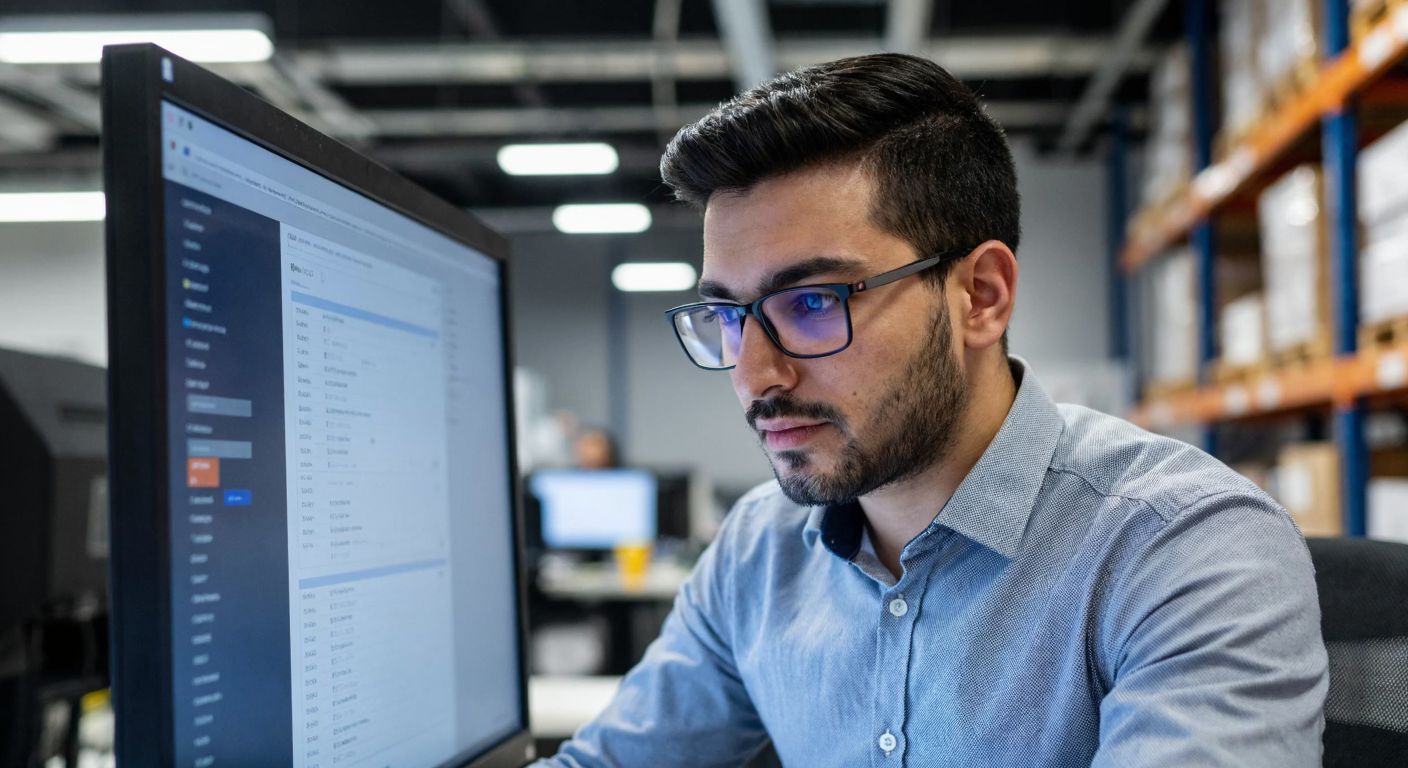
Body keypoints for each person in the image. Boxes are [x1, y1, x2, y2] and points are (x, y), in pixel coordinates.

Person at [537, 53, 1327, 767]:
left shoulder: (1181, 549)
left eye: (812, 301)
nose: (753, 374)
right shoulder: (758, 554)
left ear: (980, 296)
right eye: (729, 315)